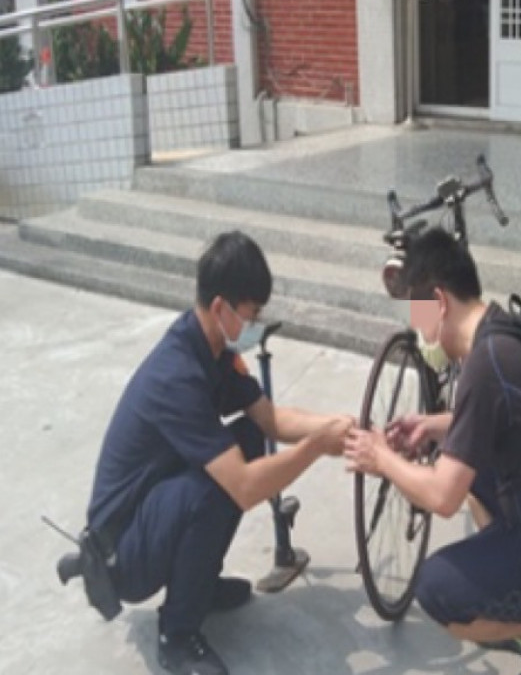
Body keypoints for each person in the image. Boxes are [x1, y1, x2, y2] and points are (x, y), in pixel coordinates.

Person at [69, 230, 355, 675]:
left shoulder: (213, 348)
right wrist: (316, 447)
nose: (256, 323)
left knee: (246, 439)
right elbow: (242, 488)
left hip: (151, 511)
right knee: (215, 488)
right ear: (221, 308)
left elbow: (270, 419)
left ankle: (196, 585)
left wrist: (340, 427)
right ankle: (178, 635)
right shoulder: (177, 374)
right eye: (252, 314)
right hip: (123, 555)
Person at [345, 227, 521, 675]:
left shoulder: (484, 366)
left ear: (440, 300)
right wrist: (431, 425)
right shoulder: (504, 332)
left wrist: (381, 458)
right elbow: (503, 418)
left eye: (420, 316)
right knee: (467, 462)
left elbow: (443, 498)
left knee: (437, 591)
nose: (421, 333)